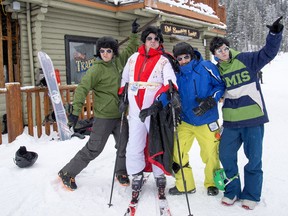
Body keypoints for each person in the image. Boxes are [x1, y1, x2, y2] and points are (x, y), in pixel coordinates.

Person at [209, 16, 284, 210]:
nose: (224, 52)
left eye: (225, 48)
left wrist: (274, 34)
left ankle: (251, 194)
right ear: (215, 55)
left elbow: (268, 53)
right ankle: (232, 191)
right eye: (219, 50)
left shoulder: (246, 59)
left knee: (254, 158)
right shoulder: (217, 72)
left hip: (253, 119)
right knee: (225, 156)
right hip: (231, 121)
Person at [58, 19, 140, 191]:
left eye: (108, 51)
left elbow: (131, 48)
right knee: (94, 148)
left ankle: (121, 171)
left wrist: (133, 34)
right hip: (104, 117)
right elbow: (82, 89)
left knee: (124, 145)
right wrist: (75, 111)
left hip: (119, 115)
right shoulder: (95, 69)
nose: (105, 54)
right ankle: (68, 172)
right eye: (102, 51)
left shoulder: (118, 63)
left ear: (113, 52)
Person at [119, 26, 177, 198]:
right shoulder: (133, 58)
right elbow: (125, 80)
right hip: (136, 108)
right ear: (144, 40)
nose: (153, 41)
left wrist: (162, 102)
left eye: (156, 39)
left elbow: (170, 83)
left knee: (156, 141)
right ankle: (136, 173)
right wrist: (122, 98)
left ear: (159, 42)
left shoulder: (163, 61)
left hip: (154, 109)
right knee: (135, 141)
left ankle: (159, 176)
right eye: (150, 38)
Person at [168, 42, 225, 196]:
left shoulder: (206, 66)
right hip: (185, 120)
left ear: (192, 54)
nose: (183, 61)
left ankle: (212, 184)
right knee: (177, 152)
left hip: (207, 120)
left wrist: (210, 101)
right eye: (179, 59)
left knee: (210, 153)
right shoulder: (175, 74)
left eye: (186, 57)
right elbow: (170, 93)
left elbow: (220, 85)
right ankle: (184, 184)